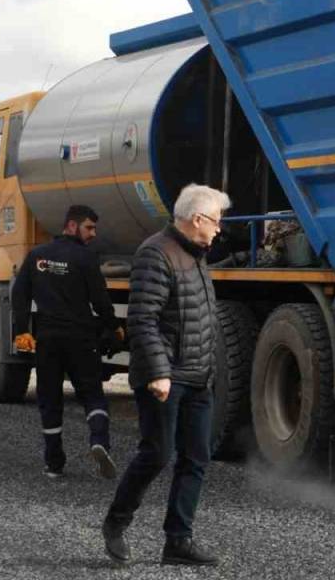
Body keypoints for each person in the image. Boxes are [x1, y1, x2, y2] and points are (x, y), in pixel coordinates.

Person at [102, 183, 230, 567]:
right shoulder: (156, 253)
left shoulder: (196, 254)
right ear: (197, 219)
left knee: (196, 457)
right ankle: (115, 523)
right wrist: (159, 373)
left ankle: (178, 542)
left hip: (197, 376)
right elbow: (143, 319)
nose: (219, 229)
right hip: (165, 377)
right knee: (158, 453)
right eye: (216, 222)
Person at [12, 204, 123, 479]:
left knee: (49, 399)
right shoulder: (86, 259)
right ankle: (99, 441)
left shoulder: (37, 256)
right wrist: (114, 327)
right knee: (92, 394)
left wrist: (21, 331)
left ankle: (54, 463)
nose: (93, 234)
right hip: (81, 338)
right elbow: (100, 300)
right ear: (71, 226)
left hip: (47, 339)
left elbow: (19, 295)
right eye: (89, 227)